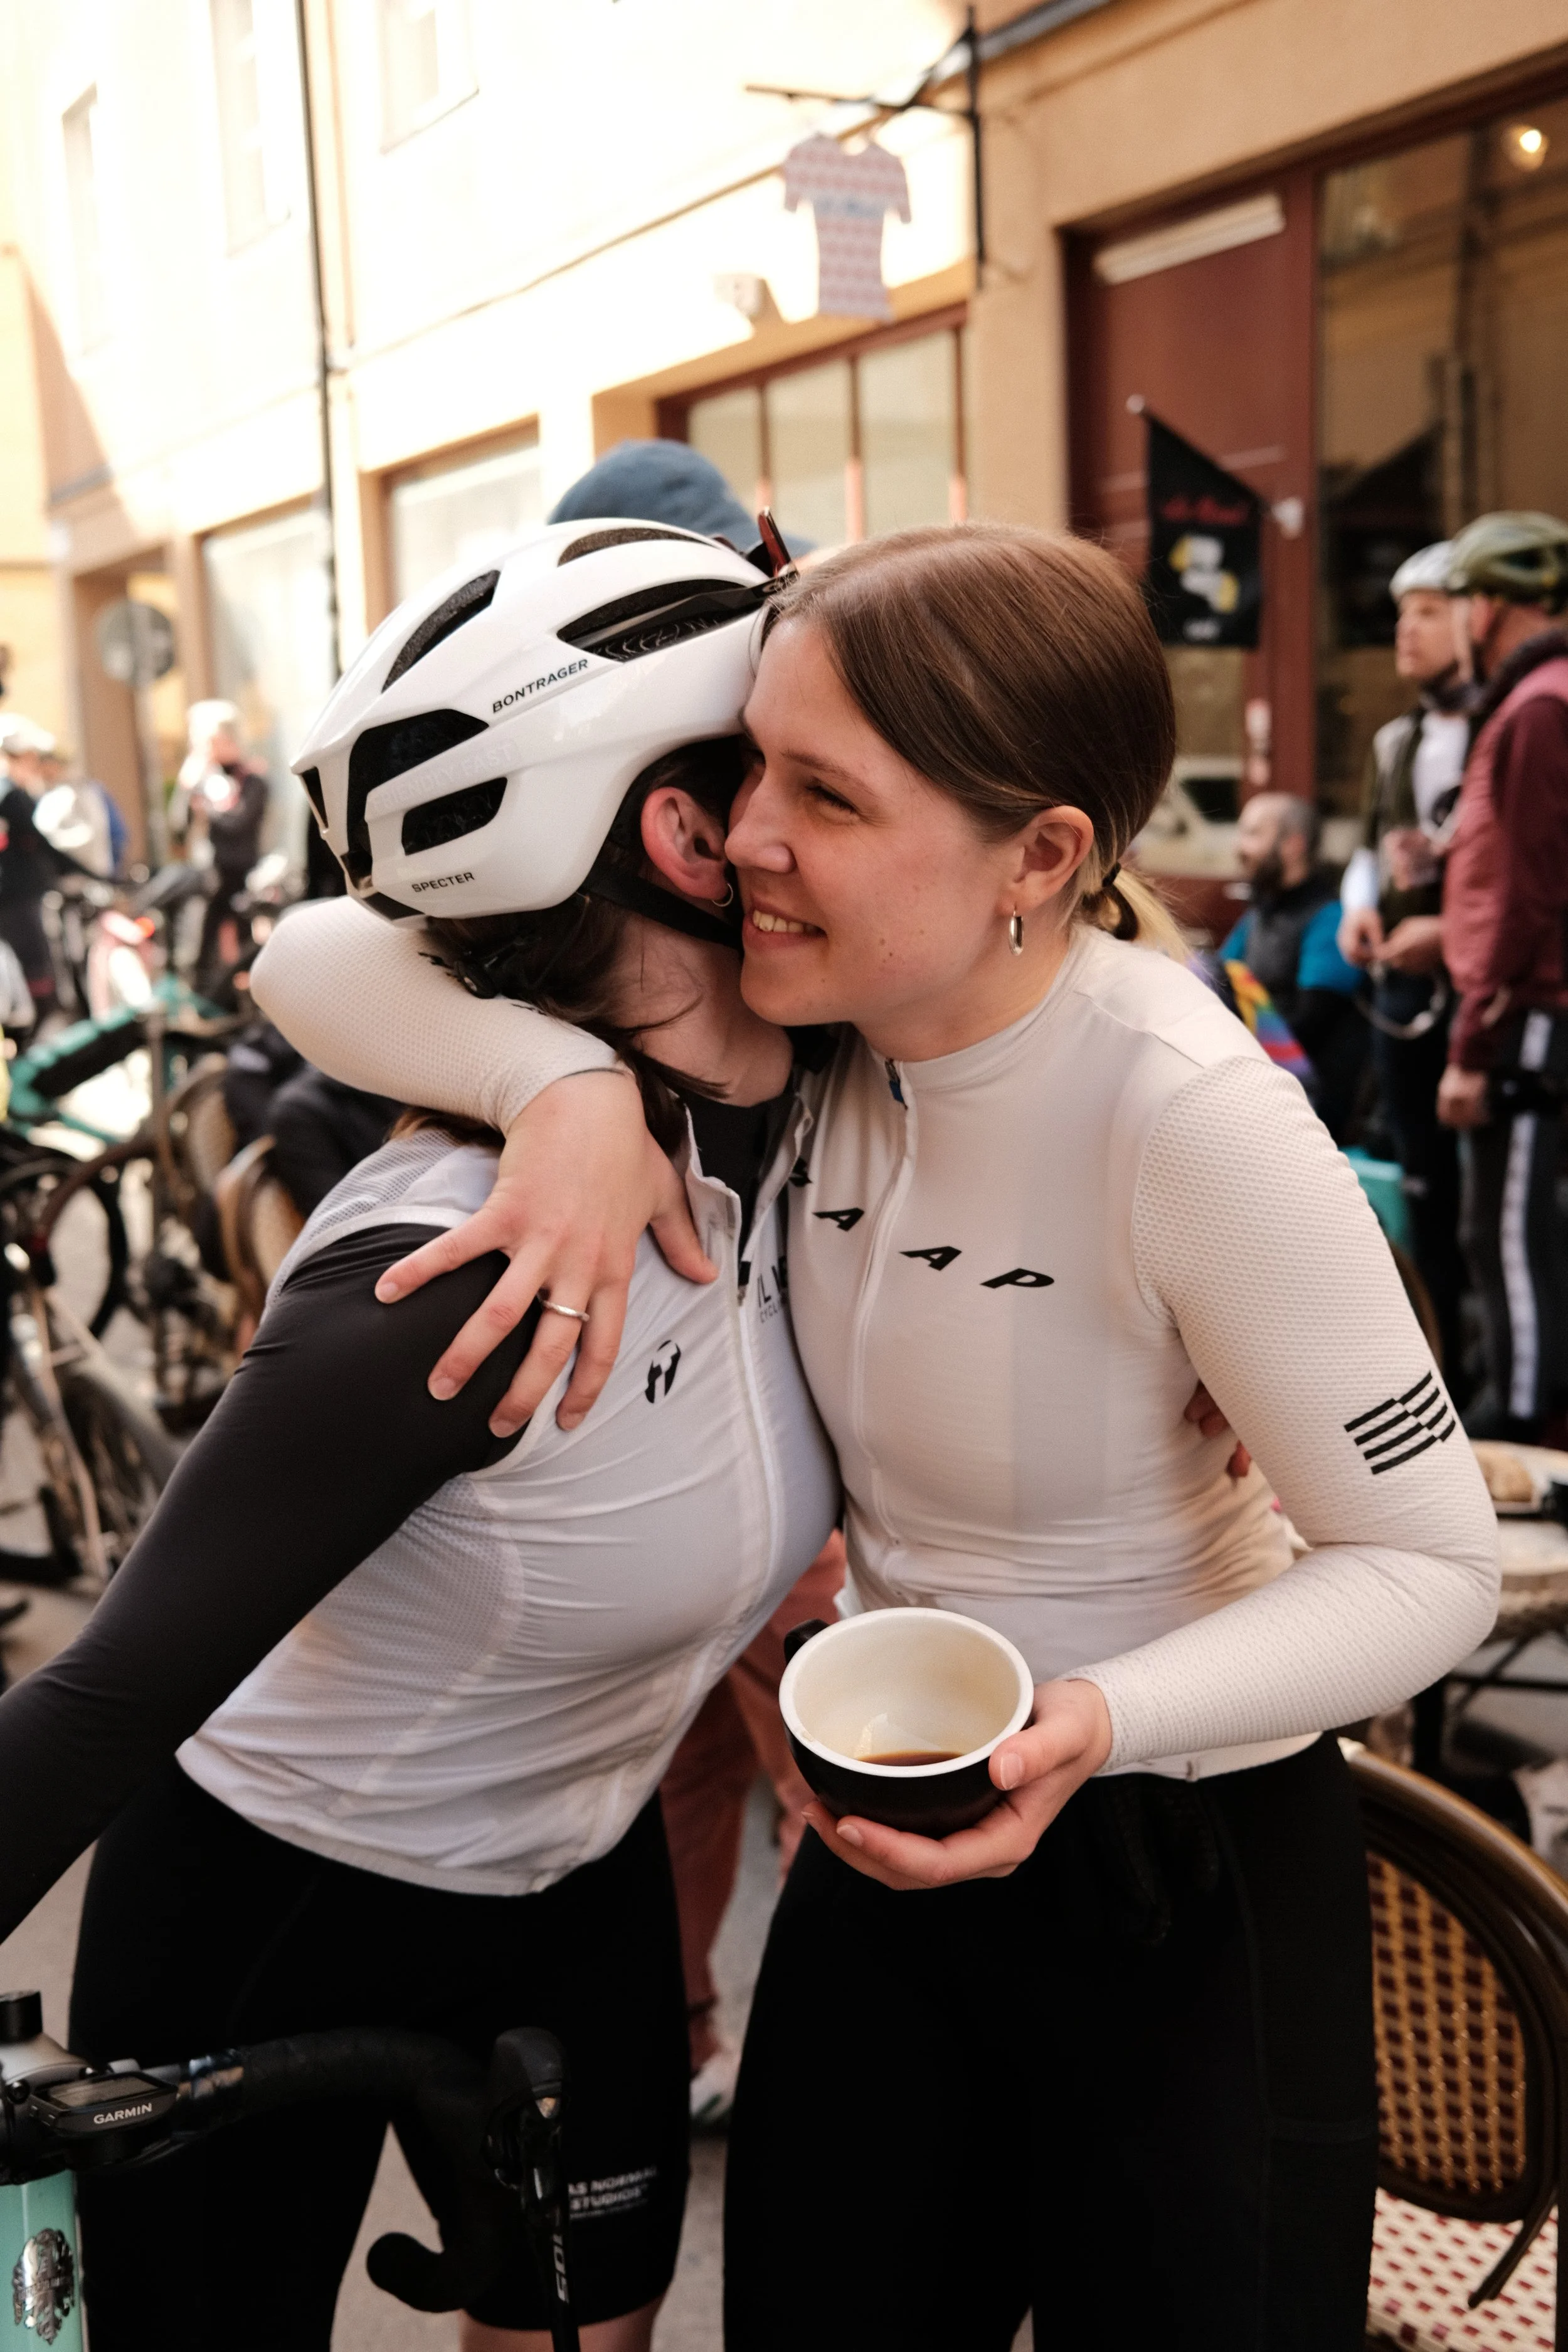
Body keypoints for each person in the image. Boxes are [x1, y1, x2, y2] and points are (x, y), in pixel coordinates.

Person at [253, 521, 1497, 2351]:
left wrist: (1093, 1718)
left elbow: (1430, 1563)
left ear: (1040, 857)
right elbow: (310, 955)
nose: (748, 833)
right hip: (882, 1838)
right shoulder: (819, 1027)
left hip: (1178, 1867)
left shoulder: (1182, 1109)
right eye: (750, 761)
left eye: (823, 794)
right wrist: (560, 1080)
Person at [0, 528, 843, 2350]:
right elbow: (102, 1695)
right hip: (269, 1901)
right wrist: (563, 1079)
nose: (830, 820)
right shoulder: (452, 1273)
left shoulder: (814, 1105)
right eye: (798, 775)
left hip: (575, 1867)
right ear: (691, 838)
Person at [1435, 512, 1568, 1444]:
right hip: (1536, 1002)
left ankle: (1521, 1421)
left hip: (1531, 1008)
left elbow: (1529, 891)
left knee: (1505, 1226)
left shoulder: (1536, 709)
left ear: (1485, 607)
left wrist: (1473, 1043)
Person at [1338, 543, 1472, 1382]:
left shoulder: (1512, 730)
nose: (1405, 631)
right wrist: (1357, 906)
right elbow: (1367, 847)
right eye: (1400, 614)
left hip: (1483, 992)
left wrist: (1450, 930)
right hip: (1402, 990)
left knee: (1489, 1195)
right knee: (1420, 1178)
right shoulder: (1397, 741)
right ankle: (1440, 1353)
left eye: (1426, 612)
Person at [1219, 789, 1366, 1136]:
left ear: (1292, 845)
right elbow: (1216, 983)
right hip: (1260, 1079)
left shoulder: (1331, 918)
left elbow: (1308, 1026)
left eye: (1253, 833)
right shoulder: (1262, 912)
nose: (1239, 847)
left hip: (1308, 1105)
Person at [173, 698, 269, 988]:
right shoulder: (205, 781)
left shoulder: (252, 780)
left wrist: (208, 809)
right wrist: (186, 787)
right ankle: (204, 997)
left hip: (242, 878)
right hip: (213, 878)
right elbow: (179, 828)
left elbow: (239, 824)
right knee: (203, 951)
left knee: (246, 951)